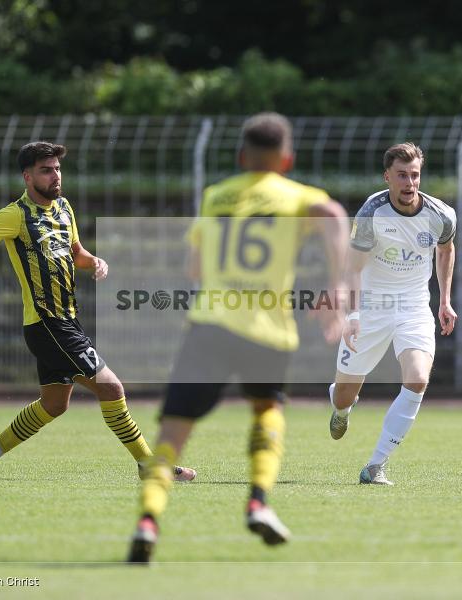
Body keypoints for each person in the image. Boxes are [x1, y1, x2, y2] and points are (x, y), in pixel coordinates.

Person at [127, 113, 349, 563]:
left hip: (209, 325)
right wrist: (338, 286)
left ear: (241, 156)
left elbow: (193, 267)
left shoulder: (216, 195)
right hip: (268, 330)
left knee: (172, 433)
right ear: (286, 159)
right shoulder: (296, 196)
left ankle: (148, 521)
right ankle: (258, 502)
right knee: (266, 409)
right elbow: (334, 215)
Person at [0, 141, 196, 483]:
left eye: (57, 169)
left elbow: (76, 253)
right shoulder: (16, 215)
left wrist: (95, 261)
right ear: (27, 177)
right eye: (46, 170)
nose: (55, 175)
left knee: (54, 404)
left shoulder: (64, 208)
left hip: (66, 321)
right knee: (111, 388)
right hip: (47, 324)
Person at [328, 142, 457, 485]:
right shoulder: (372, 213)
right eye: (401, 175)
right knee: (344, 396)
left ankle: (376, 465)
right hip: (372, 306)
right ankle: (341, 408)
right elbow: (353, 268)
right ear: (387, 177)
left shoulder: (441, 214)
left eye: (414, 175)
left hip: (414, 307)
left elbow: (446, 250)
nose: (409, 183)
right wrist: (353, 316)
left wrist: (444, 300)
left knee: (417, 379)